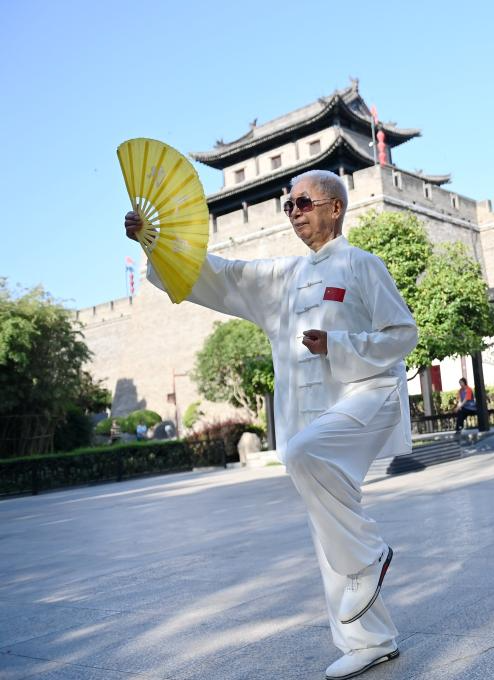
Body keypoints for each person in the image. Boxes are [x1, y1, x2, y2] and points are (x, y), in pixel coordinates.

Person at [125, 169, 415, 679]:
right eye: (289, 206)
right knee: (326, 521)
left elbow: (403, 333)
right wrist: (155, 241)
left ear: (336, 208)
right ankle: (371, 640)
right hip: (307, 418)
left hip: (365, 397)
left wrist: (340, 346)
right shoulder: (282, 278)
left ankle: (370, 555)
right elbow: (218, 275)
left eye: (304, 202)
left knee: (302, 453)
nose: (295, 211)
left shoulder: (363, 266)